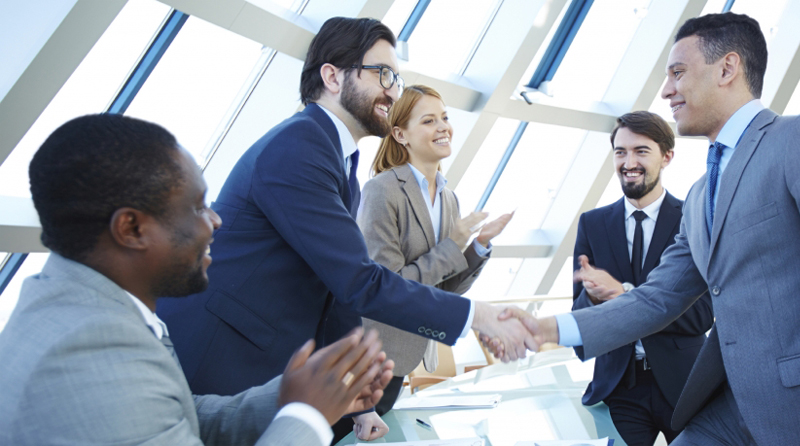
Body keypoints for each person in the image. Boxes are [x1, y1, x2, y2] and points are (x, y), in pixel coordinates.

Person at [499, 12, 800, 446]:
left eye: (678, 72)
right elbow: (657, 298)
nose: (666, 90)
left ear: (727, 68)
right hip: (729, 414)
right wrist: (545, 329)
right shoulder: (699, 197)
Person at [156, 17, 533, 441]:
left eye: (397, 77)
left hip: (260, 360)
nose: (394, 89)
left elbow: (338, 297)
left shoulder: (339, 163)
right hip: (221, 353)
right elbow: (360, 281)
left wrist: (361, 401)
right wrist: (478, 317)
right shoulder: (299, 146)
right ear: (332, 76)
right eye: (383, 74)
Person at [0, 114, 395, 446]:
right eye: (197, 207)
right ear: (131, 228)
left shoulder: (86, 308)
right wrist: (306, 416)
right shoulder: (90, 351)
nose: (215, 221)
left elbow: (175, 417)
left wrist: (290, 395)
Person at [330, 85, 514, 440]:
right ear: (400, 134)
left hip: (401, 360)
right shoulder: (382, 191)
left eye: (445, 117)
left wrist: (477, 247)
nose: (443, 126)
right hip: (364, 362)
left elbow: (442, 288)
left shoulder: (449, 198)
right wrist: (454, 244)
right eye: (429, 120)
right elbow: (386, 286)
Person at [572, 111, 713, 446]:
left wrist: (625, 295)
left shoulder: (691, 219)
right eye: (620, 152)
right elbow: (579, 316)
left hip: (685, 383)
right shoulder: (592, 224)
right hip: (620, 387)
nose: (628, 162)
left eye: (641, 151)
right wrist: (593, 296)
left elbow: (703, 313)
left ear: (666, 157)